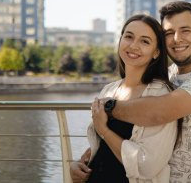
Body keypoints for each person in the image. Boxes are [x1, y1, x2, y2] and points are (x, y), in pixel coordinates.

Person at [108, 1, 191, 182]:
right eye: (169, 33)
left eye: (185, 30)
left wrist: (108, 109)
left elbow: (158, 112)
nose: (177, 38)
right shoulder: (169, 75)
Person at [70, 14, 177, 183]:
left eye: (145, 41)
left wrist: (105, 131)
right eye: (128, 37)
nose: (133, 45)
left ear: (156, 52)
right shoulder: (110, 90)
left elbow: (146, 166)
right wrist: (78, 165)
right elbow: (102, 149)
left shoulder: (160, 95)